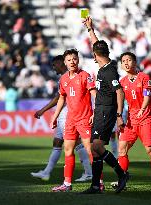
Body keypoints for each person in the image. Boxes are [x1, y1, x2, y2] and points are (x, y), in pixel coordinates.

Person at [80, 17, 129, 194]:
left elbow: (120, 91)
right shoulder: (105, 64)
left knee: (97, 147)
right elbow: (96, 45)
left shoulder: (109, 72)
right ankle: (95, 185)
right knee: (95, 148)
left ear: (94, 56)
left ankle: (121, 174)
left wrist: (118, 114)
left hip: (107, 112)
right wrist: (90, 29)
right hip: (99, 110)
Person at [31, 55, 93, 182]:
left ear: (62, 63)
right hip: (64, 116)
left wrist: (43, 110)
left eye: (55, 65)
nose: (54, 68)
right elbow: (60, 97)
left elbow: (59, 98)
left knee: (76, 144)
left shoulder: (77, 76)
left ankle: (89, 172)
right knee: (59, 143)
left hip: (71, 115)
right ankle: (47, 172)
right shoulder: (64, 78)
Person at [113, 52, 151, 190]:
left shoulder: (144, 77)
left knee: (150, 150)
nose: (126, 63)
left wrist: (142, 109)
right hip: (131, 121)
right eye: (124, 61)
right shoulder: (122, 82)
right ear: (122, 65)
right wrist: (118, 116)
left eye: (129, 60)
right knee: (121, 149)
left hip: (146, 119)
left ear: (135, 62)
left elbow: (147, 95)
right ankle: (122, 180)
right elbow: (120, 101)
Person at [50, 49, 96, 192]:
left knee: (91, 150)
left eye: (74, 59)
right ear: (65, 62)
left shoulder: (85, 76)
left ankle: (98, 182)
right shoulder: (63, 79)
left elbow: (94, 94)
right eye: (69, 60)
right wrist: (55, 116)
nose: (72, 62)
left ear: (78, 60)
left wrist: (95, 112)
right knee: (68, 150)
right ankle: (67, 184)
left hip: (85, 118)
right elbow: (62, 98)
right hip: (71, 119)